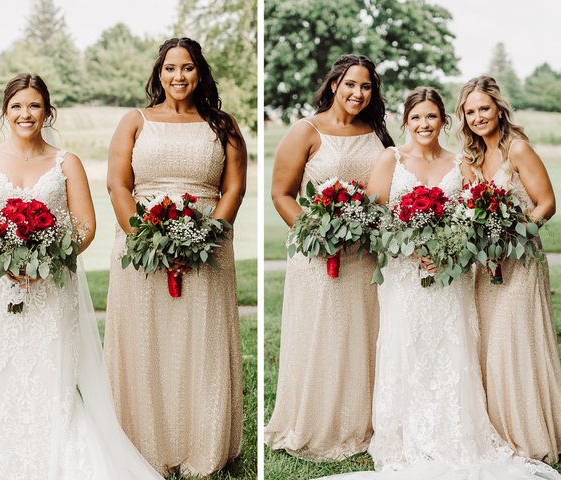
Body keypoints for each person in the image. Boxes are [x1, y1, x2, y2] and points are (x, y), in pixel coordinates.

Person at [308, 86, 560, 480]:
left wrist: (447, 249)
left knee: (453, 345)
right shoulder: (390, 158)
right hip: (404, 273)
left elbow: (474, 213)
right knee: (405, 343)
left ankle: (460, 431)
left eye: (432, 116)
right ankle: (403, 434)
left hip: (450, 274)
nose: (424, 124)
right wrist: (409, 250)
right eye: (416, 117)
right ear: (404, 122)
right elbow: (375, 219)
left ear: (444, 121)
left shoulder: (462, 162)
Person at [0, 73, 164, 479]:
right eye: (17, 106)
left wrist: (49, 256)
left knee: (52, 382)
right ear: (5, 112)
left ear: (47, 111)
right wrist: (2, 257)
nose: (25, 114)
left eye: (34, 105)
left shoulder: (65, 161)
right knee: (0, 380)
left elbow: (85, 226)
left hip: (52, 289)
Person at [105, 37, 247, 477]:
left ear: (200, 72)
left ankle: (201, 444)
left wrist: (201, 239)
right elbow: (117, 186)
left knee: (198, 341)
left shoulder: (223, 123)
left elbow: (235, 188)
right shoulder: (135, 121)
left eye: (187, 68)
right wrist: (147, 241)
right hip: (140, 247)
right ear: (159, 74)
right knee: (145, 342)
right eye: (170, 68)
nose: (178, 76)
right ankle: (142, 443)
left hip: (207, 247)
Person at [265, 54, 394, 460]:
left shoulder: (376, 131)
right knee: (322, 331)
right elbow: (282, 194)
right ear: (334, 84)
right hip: (317, 252)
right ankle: (317, 421)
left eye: (367, 86)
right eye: (351, 84)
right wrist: (315, 232)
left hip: (365, 253)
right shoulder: (305, 130)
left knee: (363, 332)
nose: (358, 93)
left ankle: (364, 422)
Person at [456, 76, 561, 464]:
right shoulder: (470, 160)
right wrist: (484, 244)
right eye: (470, 111)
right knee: (489, 347)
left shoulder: (517, 149)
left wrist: (509, 238)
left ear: (499, 109)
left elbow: (546, 203)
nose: (478, 116)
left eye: (484, 108)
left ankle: (530, 435)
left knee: (515, 341)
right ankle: (497, 431)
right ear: (463, 118)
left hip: (521, 261)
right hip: (486, 267)